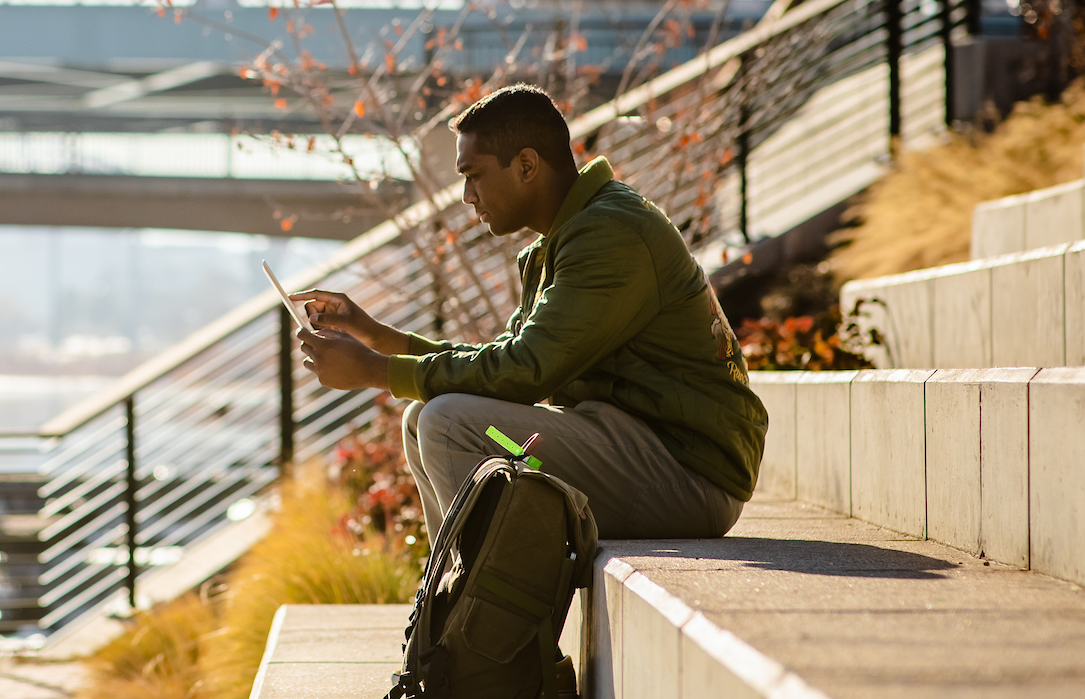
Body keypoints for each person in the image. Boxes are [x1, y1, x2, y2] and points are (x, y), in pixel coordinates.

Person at [295, 83, 766, 541]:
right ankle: (451, 595)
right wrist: (372, 334)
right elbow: (506, 361)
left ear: (525, 165)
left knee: (446, 422)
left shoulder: (610, 234)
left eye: (473, 174)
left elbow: (523, 373)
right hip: (641, 448)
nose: (467, 196)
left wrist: (375, 371)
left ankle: (478, 611)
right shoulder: (571, 236)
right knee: (422, 419)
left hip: (689, 475)